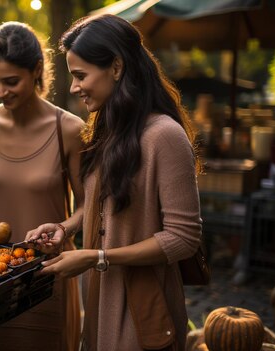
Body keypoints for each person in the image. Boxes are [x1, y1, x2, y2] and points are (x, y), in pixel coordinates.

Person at [26, 14, 203, 351]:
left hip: (140, 307)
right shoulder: (107, 128)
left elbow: (183, 238)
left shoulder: (164, 135)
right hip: (99, 295)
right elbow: (101, 203)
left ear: (117, 68)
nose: (75, 87)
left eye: (81, 76)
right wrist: (67, 226)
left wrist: (98, 257)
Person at [0, 21, 84, 351]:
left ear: (35, 71)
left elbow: (89, 206)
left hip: (48, 276)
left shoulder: (69, 129)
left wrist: (64, 227)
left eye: (11, 82)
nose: (1, 92)